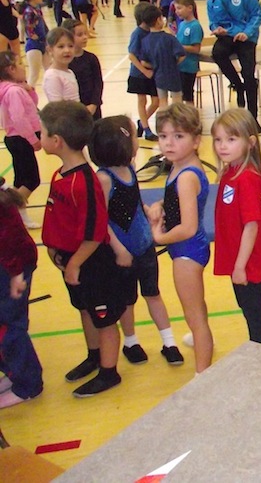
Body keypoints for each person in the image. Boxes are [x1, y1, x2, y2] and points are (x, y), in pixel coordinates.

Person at [40, 100, 125, 397]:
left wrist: (75, 263)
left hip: (91, 262)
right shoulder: (61, 174)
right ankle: (94, 356)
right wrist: (56, 251)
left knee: (103, 318)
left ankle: (109, 371)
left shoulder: (84, 183)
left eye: (42, 132)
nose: (39, 136)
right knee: (85, 309)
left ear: (56, 141)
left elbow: (95, 232)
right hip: (71, 259)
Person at [89, 117, 184, 367]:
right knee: (127, 300)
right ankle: (130, 341)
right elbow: (101, 220)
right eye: (133, 136)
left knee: (153, 293)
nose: (137, 141)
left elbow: (133, 200)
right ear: (120, 143)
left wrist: (148, 210)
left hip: (144, 246)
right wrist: (119, 249)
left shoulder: (130, 168)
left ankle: (169, 341)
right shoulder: (104, 178)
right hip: (123, 252)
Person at [147, 103, 213, 373]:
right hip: (188, 248)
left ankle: (202, 372)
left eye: (178, 136)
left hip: (187, 250)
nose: (169, 143)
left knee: (194, 316)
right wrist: (159, 205)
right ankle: (201, 339)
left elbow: (187, 227)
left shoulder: (186, 176)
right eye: (163, 136)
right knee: (196, 306)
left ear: (196, 141)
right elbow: (178, 201)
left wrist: (159, 237)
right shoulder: (180, 166)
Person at [211, 108, 261, 345]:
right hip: (238, 259)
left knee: (255, 314)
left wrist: (240, 266)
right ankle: (257, 348)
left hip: (247, 263)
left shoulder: (247, 179)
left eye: (231, 139)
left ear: (250, 142)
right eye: (218, 139)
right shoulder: (231, 172)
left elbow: (252, 226)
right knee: (247, 308)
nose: (222, 146)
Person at [0, 184, 42, 409]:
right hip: (10, 265)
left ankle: (28, 385)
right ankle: (14, 372)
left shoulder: (4, 206)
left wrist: (16, 274)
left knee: (10, 326)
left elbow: (9, 239)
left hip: (12, 267)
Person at [207, 0, 261, 120]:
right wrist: (216, 29)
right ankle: (237, 85)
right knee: (217, 53)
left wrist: (247, 32)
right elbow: (213, 22)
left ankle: (252, 118)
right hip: (227, 35)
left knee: (249, 75)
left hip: (246, 37)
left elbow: (257, 14)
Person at [0, 51, 42, 229]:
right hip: (21, 139)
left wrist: (29, 90)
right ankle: (11, 210)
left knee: (21, 179)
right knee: (32, 180)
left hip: (16, 138)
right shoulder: (14, 92)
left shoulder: (13, 89)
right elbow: (19, 118)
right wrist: (33, 139)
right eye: (20, 64)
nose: (24, 68)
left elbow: (32, 105)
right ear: (11, 69)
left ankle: (19, 214)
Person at [140, 7, 186, 109]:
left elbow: (143, 62)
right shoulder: (169, 38)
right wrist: (173, 63)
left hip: (159, 75)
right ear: (158, 20)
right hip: (173, 74)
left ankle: (163, 118)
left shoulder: (145, 41)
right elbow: (182, 55)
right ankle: (177, 118)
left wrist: (155, 65)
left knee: (162, 101)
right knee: (177, 101)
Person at [127, 3, 160, 140]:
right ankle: (147, 130)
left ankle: (142, 122)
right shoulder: (137, 33)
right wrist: (144, 71)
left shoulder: (152, 31)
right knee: (142, 101)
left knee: (156, 101)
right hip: (138, 74)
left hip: (152, 72)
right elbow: (132, 56)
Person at [64, 18, 103, 120]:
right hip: (73, 109)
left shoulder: (91, 58)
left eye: (85, 33)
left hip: (92, 107)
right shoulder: (65, 62)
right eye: (80, 35)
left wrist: (94, 104)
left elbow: (98, 82)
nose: (85, 37)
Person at [173, 0, 203, 104]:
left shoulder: (195, 26)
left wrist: (178, 46)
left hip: (188, 66)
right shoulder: (181, 24)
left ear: (190, 8)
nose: (177, 11)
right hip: (179, 66)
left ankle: (190, 114)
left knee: (188, 96)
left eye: (179, 8)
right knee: (178, 95)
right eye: (176, 9)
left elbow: (196, 49)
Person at [21, 0, 48, 89]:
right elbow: (28, 28)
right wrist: (33, 35)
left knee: (49, 70)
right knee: (34, 75)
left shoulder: (37, 9)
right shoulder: (29, 11)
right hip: (34, 45)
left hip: (43, 43)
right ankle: (27, 96)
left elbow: (43, 25)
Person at [43, 27, 79, 103]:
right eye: (61, 46)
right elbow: (57, 106)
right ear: (50, 50)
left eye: (70, 46)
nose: (67, 50)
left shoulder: (70, 72)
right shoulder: (52, 76)